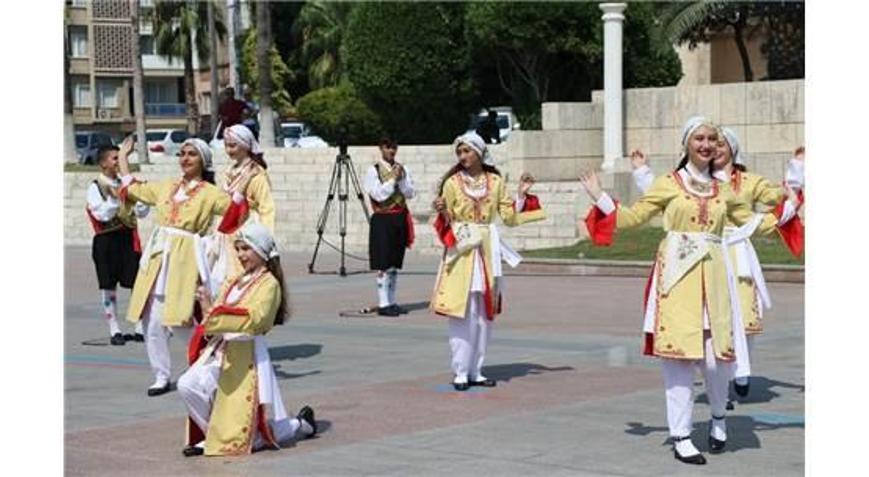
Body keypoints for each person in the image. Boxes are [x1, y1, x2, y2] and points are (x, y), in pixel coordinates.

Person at [578, 116, 802, 465]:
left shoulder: (723, 189)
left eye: (712, 139)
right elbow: (633, 218)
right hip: (677, 278)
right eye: (699, 138)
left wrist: (789, 209)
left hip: (715, 276)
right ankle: (681, 435)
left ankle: (718, 417)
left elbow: (753, 223)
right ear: (686, 143)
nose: (706, 144)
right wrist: (600, 196)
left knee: (716, 361)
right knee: (679, 361)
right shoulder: (668, 183)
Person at [628, 131, 805, 408]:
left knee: (743, 317)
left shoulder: (749, 181)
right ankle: (717, 381)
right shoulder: (696, 179)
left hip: (736, 250)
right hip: (703, 254)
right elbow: (661, 194)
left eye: (722, 144)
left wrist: (796, 172)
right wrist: (641, 171)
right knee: (707, 321)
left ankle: (740, 372)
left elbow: (778, 195)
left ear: (733, 149)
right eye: (713, 143)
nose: (716, 148)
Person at [116, 136, 250, 397]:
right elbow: (133, 188)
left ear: (203, 161)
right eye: (182, 154)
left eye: (191, 154)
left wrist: (241, 185)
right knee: (152, 322)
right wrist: (123, 157)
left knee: (179, 320)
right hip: (157, 258)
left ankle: (209, 362)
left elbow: (236, 211)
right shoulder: (167, 186)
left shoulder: (210, 193)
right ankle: (161, 375)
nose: (185, 158)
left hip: (184, 259)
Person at [178, 222, 317, 457]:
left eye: (246, 249)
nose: (241, 255)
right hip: (221, 349)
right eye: (238, 249)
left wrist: (215, 314)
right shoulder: (233, 280)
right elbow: (214, 315)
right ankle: (216, 435)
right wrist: (205, 303)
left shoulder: (269, 284)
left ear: (261, 251)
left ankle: (299, 424)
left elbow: (255, 319)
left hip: (247, 353)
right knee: (187, 384)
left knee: (251, 426)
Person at [431, 132, 545, 391]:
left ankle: (477, 370)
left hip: (487, 250)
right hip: (463, 250)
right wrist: (442, 210)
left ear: (479, 153)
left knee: (484, 313)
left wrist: (521, 196)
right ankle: (461, 371)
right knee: (463, 312)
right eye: (459, 152)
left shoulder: (495, 182)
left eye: (467, 151)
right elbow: (446, 221)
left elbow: (509, 217)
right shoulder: (452, 183)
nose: (462, 156)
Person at [86, 145, 150, 345]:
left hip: (128, 238)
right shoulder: (96, 186)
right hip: (106, 240)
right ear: (103, 163)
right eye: (115, 158)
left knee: (136, 282)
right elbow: (101, 215)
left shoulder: (126, 183)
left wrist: (139, 199)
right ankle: (114, 329)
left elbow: (141, 212)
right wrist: (117, 197)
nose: (118, 162)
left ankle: (139, 326)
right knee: (108, 285)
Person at [205, 124, 276, 296]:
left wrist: (265, 237)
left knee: (243, 270)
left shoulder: (256, 173)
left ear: (245, 145)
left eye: (233, 145)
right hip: (228, 225)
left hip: (247, 225)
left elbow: (266, 206)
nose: (228, 150)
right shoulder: (231, 171)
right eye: (226, 146)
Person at [363, 137, 416, 316]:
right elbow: (378, 194)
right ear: (381, 148)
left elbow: (410, 193)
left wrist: (400, 180)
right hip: (383, 219)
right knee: (383, 263)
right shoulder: (373, 170)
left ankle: (392, 301)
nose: (391, 151)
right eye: (388, 147)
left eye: (394, 147)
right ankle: (383, 303)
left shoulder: (403, 169)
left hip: (399, 217)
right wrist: (393, 181)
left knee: (394, 262)